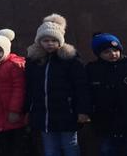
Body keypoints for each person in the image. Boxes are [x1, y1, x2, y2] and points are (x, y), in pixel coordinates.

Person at [24, 14, 90, 156]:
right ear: (39, 41)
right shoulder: (34, 61)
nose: (49, 43)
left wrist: (83, 110)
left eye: (54, 40)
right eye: (45, 40)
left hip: (67, 111)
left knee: (70, 145)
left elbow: (81, 86)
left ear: (60, 41)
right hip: (44, 114)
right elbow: (29, 87)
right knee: (50, 148)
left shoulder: (71, 60)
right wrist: (28, 109)